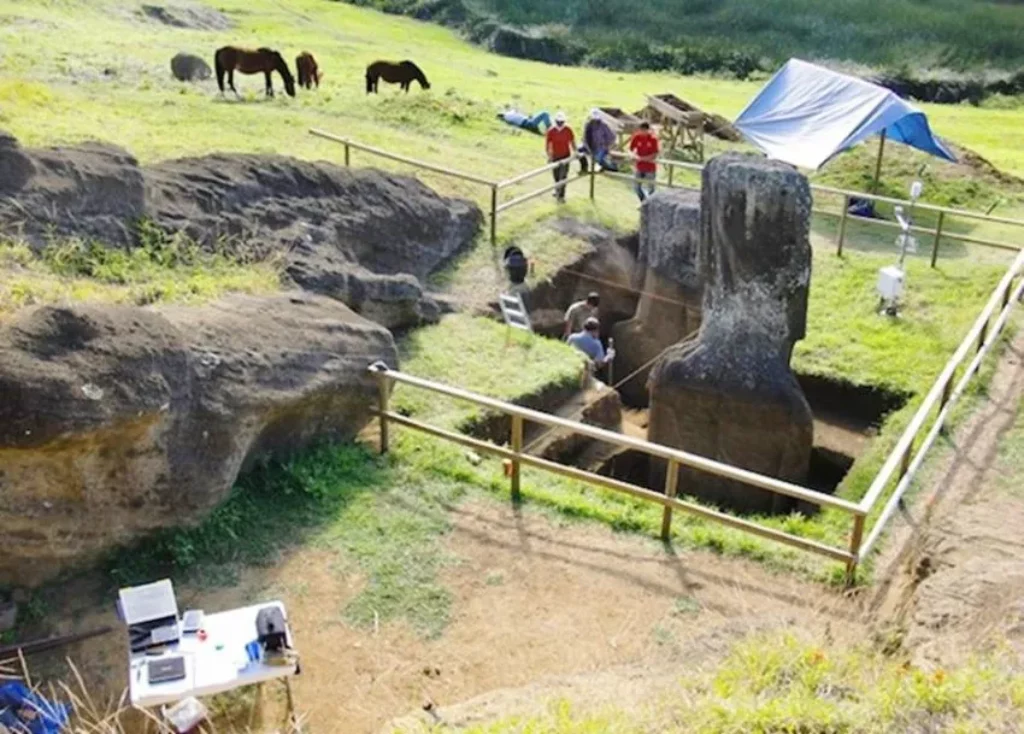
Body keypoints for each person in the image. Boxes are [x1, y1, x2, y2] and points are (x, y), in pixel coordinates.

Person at [545, 111, 576, 204]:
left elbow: (572, 142)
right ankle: (557, 189)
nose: (560, 124)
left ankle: (561, 196)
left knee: (563, 176)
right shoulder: (551, 131)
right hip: (555, 156)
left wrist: (576, 152)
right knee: (556, 175)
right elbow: (548, 145)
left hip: (565, 156)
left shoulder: (568, 130)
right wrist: (549, 156)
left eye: (561, 122)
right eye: (558, 122)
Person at [629, 121, 660, 202]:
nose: (642, 132)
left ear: (648, 130)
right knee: (636, 186)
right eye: (641, 130)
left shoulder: (653, 139)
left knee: (651, 188)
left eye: (644, 130)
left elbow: (655, 154)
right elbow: (631, 149)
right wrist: (633, 155)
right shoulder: (636, 137)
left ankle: (650, 204)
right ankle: (644, 201)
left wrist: (642, 158)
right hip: (639, 166)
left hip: (650, 167)